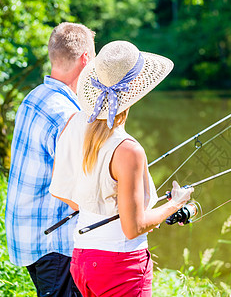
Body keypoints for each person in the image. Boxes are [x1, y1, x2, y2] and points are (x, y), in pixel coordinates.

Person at [49, 40, 194, 296]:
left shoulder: (74, 122)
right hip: (120, 264)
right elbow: (133, 228)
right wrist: (175, 204)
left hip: (82, 258)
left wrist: (102, 203)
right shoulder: (128, 150)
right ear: (138, 87)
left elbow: (62, 191)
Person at [5, 22, 95, 296]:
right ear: (86, 59)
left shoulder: (34, 97)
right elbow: (73, 194)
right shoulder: (68, 115)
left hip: (26, 235)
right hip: (53, 245)